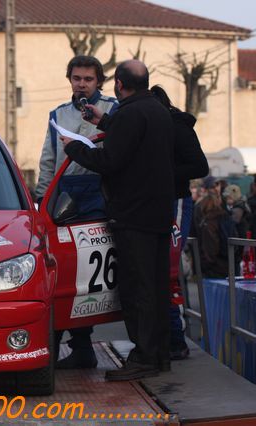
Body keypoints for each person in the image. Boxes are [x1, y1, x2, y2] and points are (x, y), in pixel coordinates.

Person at [63, 60, 175, 381]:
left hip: (133, 216)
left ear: (118, 85)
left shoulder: (129, 114)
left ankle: (142, 357)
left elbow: (111, 159)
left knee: (137, 290)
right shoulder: (157, 111)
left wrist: (75, 149)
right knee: (155, 288)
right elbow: (135, 140)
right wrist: (106, 121)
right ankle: (159, 356)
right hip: (158, 215)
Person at [35, 55, 118, 369]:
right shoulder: (58, 114)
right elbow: (48, 158)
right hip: (64, 194)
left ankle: (83, 345)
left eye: (88, 79)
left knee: (92, 273)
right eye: (77, 78)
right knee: (62, 270)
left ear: (99, 81)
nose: (82, 84)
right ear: (69, 78)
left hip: (101, 192)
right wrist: (43, 199)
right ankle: (70, 347)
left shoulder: (113, 109)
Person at [149, 85, 209, 361]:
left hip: (176, 201)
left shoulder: (178, 127)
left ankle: (176, 338)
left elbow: (200, 166)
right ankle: (163, 339)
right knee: (153, 273)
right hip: (150, 204)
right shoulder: (149, 127)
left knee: (169, 271)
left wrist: (165, 173)